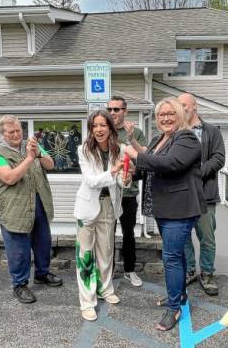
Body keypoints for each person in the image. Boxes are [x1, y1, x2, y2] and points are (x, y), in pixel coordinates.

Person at [124, 97, 204, 331]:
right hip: (163, 207)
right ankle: (179, 296)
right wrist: (133, 173)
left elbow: (171, 164)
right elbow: (151, 165)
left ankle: (173, 309)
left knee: (170, 258)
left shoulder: (186, 137)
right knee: (176, 256)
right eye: (161, 115)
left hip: (180, 208)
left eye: (171, 113)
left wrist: (136, 155)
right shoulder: (160, 138)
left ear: (180, 114)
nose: (166, 118)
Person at [0, 115, 63, 304]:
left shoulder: (31, 146)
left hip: (39, 203)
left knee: (43, 243)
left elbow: (51, 165)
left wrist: (38, 153)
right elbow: (9, 178)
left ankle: (42, 274)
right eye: (11, 132)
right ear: (3, 134)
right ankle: (19, 284)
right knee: (18, 249)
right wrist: (29, 159)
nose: (16, 135)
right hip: (14, 208)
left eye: (18, 131)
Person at [74, 110, 130, 321]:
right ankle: (87, 301)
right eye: (94, 126)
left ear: (110, 128)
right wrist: (114, 172)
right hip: (87, 208)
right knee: (85, 256)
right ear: (90, 129)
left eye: (102, 125)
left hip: (109, 206)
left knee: (106, 252)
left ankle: (105, 289)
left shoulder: (120, 148)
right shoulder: (84, 150)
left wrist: (125, 178)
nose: (98, 129)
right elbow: (91, 181)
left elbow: (121, 182)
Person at [179, 93, 225, 296]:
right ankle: (189, 271)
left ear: (194, 106)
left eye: (184, 105)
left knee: (207, 237)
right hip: (181, 195)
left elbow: (219, 158)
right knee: (184, 237)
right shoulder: (177, 132)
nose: (181, 109)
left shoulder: (211, 131)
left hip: (205, 195)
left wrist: (199, 173)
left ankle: (207, 273)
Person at [108, 96, 147, 287]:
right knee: (107, 233)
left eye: (117, 109)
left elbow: (144, 157)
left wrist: (131, 141)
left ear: (125, 111)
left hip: (129, 193)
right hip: (107, 192)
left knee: (128, 233)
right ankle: (107, 271)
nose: (113, 113)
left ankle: (129, 271)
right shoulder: (103, 130)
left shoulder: (136, 132)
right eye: (110, 109)